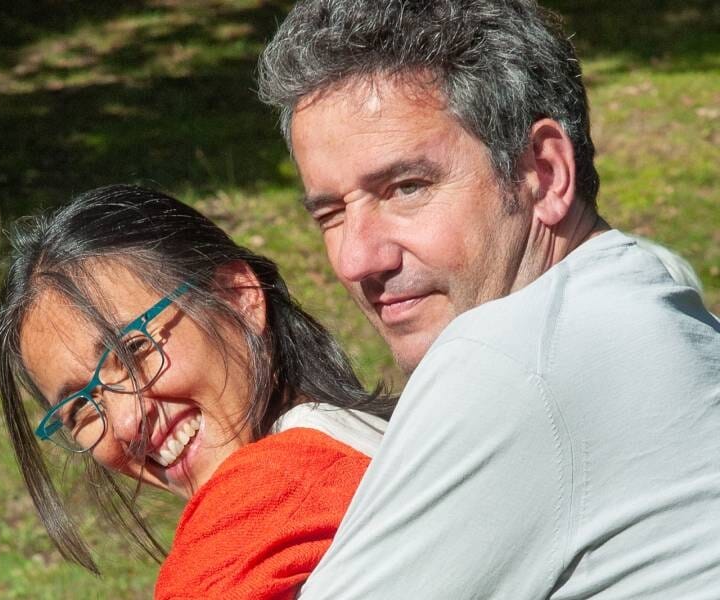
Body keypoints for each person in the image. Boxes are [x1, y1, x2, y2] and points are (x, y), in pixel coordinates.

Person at [258, 0, 720, 597]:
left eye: (406, 188)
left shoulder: (508, 359)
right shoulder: (655, 293)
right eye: (330, 213)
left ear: (545, 174)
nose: (357, 260)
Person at [0, 184, 390, 599]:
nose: (126, 423)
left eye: (134, 349)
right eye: (79, 408)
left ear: (238, 296)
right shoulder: (373, 439)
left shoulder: (285, 478)